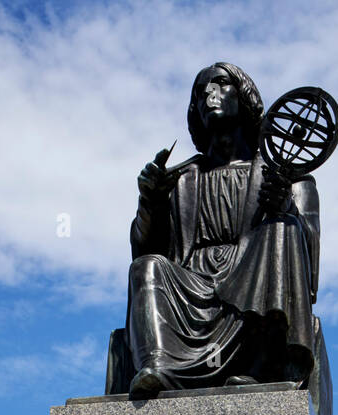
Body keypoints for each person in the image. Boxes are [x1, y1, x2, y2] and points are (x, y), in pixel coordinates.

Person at [119, 62, 320, 397]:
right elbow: (145, 252)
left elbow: (308, 253)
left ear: (244, 97)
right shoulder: (181, 178)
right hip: (193, 286)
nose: (208, 95)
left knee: (282, 227)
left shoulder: (287, 176)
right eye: (200, 92)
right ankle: (160, 366)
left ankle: (262, 366)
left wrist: (285, 205)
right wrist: (150, 202)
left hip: (252, 277)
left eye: (220, 84)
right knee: (147, 267)